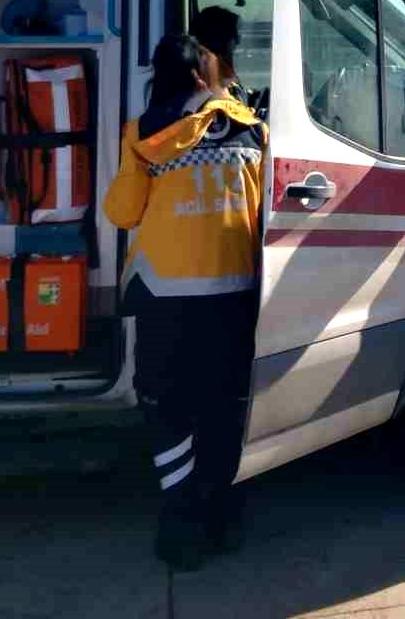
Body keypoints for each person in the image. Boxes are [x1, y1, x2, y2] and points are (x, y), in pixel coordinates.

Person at [103, 33, 266, 571]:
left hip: (165, 298)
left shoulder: (143, 135)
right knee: (224, 408)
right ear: (203, 77)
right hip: (233, 294)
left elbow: (123, 214)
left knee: (170, 409)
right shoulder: (250, 127)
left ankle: (180, 524)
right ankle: (221, 514)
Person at [189, 4, 245, 102]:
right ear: (221, 39)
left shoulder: (222, 73)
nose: (238, 42)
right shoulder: (215, 81)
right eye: (235, 35)